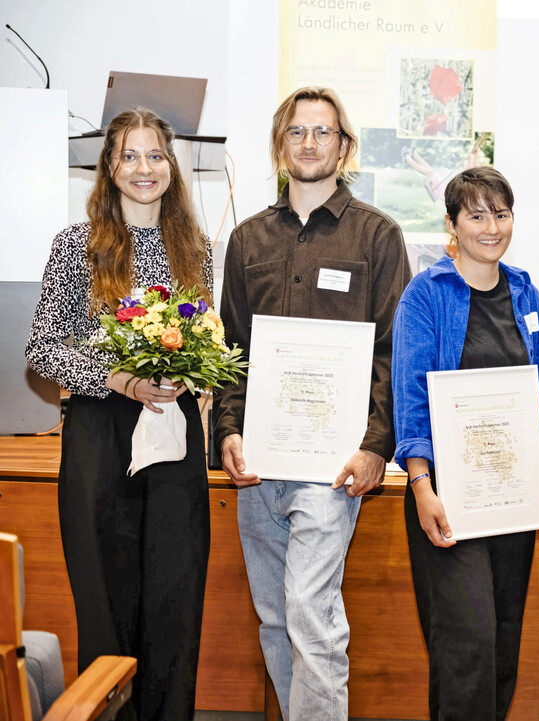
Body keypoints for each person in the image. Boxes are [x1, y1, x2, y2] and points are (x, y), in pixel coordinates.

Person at [212, 86, 411, 721]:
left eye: (322, 132)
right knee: (275, 618)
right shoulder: (247, 242)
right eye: (296, 131)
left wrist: (377, 445)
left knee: (309, 613)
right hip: (258, 467)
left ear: (344, 147)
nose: (308, 143)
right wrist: (228, 431)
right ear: (280, 145)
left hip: (331, 469)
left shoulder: (378, 236)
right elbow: (231, 350)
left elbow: (392, 352)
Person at [25, 107, 212, 721]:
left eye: (155, 155)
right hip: (100, 442)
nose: (143, 168)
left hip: (175, 447)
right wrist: (117, 379)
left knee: (174, 602)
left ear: (172, 167)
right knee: (106, 605)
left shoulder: (197, 251)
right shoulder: (76, 247)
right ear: (109, 167)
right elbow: (43, 349)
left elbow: (208, 338)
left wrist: (194, 372)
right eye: (128, 155)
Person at [392, 166, 539, 721]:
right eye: (477, 215)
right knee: (467, 640)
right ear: (452, 223)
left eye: (502, 213)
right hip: (449, 497)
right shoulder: (426, 294)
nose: (491, 227)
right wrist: (421, 485)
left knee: (503, 639)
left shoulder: (525, 290)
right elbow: (411, 397)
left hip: (513, 496)